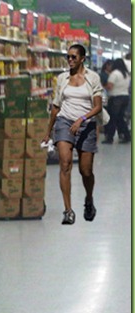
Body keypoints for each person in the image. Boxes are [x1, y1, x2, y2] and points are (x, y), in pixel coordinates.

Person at [43, 44, 103, 225]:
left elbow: (98, 107)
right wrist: (48, 132)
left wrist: (82, 119)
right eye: (68, 57)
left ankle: (89, 199)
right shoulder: (62, 78)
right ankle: (68, 211)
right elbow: (56, 107)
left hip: (86, 125)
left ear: (82, 58)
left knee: (86, 170)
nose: (70, 60)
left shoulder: (92, 78)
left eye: (73, 57)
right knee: (65, 163)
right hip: (65, 122)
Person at [104, 58, 131, 143]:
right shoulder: (126, 74)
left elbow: (110, 86)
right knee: (120, 118)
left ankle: (109, 138)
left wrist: (103, 86)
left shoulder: (114, 73)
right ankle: (127, 136)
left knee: (112, 118)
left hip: (115, 98)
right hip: (125, 97)